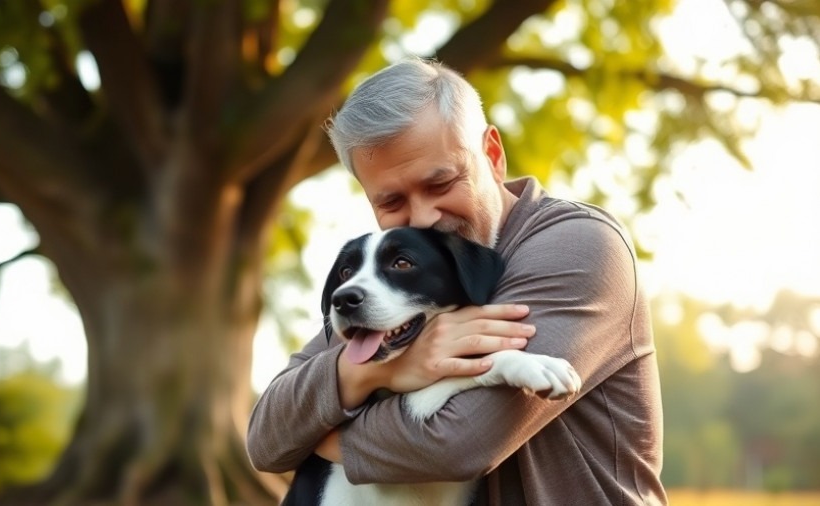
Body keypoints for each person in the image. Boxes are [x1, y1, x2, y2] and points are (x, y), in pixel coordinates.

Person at [246, 57, 667, 505]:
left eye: (441, 183)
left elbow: (453, 443)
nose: (424, 218)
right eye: (391, 201)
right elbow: (267, 437)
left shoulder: (577, 246)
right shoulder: (397, 291)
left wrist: (321, 437)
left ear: (492, 154)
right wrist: (365, 373)